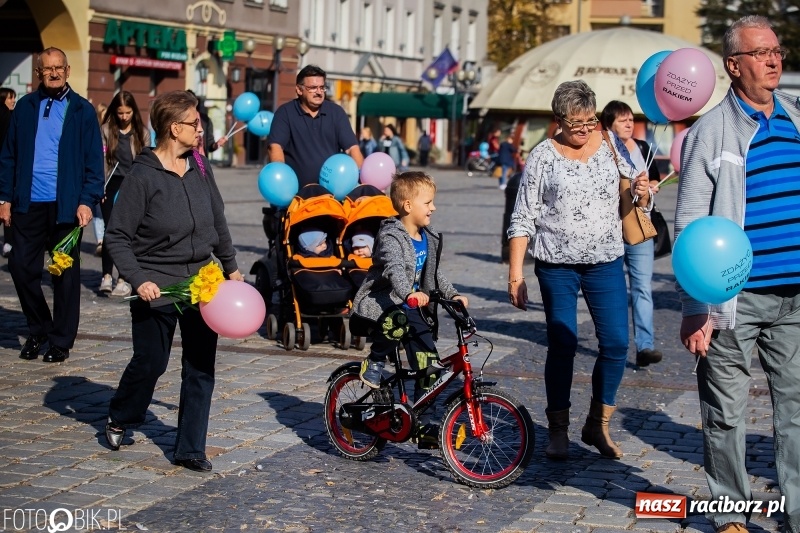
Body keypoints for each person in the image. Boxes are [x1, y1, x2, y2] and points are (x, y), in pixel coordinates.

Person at [676, 15, 800, 533]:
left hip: (795, 297)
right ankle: (731, 513)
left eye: (777, 52)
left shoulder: (795, 117)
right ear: (733, 64)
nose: (773, 61)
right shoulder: (712, 131)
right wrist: (694, 308)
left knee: (795, 413)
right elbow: (689, 225)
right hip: (733, 297)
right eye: (760, 53)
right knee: (726, 413)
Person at [506, 80, 651, 461]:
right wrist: (516, 274)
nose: (585, 129)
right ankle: (558, 430)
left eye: (590, 120)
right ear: (558, 121)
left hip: (605, 261)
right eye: (576, 124)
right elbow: (522, 216)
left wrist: (643, 192)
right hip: (556, 265)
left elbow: (635, 195)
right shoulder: (543, 157)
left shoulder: (611, 145)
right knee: (564, 344)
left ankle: (597, 424)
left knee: (617, 343)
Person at [103, 90, 243, 473]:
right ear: (173, 128)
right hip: (157, 283)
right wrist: (138, 278)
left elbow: (217, 219)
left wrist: (230, 267)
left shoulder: (200, 164)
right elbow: (117, 236)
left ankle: (190, 449)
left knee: (201, 366)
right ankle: (122, 413)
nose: (201, 129)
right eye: (195, 123)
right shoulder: (142, 177)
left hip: (202, 281)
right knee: (151, 362)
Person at [0, 47, 104, 363]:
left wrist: (87, 200)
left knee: (65, 276)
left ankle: (60, 339)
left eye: (59, 67)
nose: (54, 73)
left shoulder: (82, 110)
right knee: (20, 267)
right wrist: (4, 197)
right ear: (39, 73)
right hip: (26, 204)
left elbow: (93, 162)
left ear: (68, 70)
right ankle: (40, 328)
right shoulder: (25, 107)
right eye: (48, 69)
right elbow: (8, 156)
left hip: (66, 207)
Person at [351, 171, 468, 447]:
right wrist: (408, 293)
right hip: (381, 303)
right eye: (428, 203)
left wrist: (454, 295)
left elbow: (435, 274)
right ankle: (375, 361)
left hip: (411, 307)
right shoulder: (391, 235)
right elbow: (394, 271)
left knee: (429, 364)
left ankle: (419, 421)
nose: (433, 208)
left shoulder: (428, 237)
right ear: (407, 206)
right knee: (399, 319)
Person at [600, 100, 663, 368]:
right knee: (611, 292)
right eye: (622, 120)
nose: (629, 123)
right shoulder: (602, 151)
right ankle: (614, 346)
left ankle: (645, 346)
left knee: (642, 287)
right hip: (610, 230)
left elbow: (656, 179)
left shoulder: (644, 147)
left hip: (639, 228)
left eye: (630, 119)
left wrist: (650, 188)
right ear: (609, 125)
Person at [268, 65, 363, 187]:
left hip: (332, 192)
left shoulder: (336, 112)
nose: (319, 92)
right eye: (313, 88)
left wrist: (362, 181)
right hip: (296, 193)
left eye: (322, 87)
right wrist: (281, 180)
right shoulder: (285, 113)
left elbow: (352, 148)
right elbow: (275, 147)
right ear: (299, 90)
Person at [99, 91, 149, 297]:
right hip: (111, 184)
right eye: (120, 112)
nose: (124, 116)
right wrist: (99, 187)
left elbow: (147, 162)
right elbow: (101, 159)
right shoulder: (106, 130)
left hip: (132, 186)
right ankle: (106, 276)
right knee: (110, 232)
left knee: (129, 233)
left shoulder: (141, 132)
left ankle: (124, 277)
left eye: (128, 112)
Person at [0, 87, 16, 258]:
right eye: (11, 98)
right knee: (7, 203)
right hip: (5, 168)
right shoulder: (9, 117)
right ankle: (9, 242)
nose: (13, 101)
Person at [186, 90, 227, 156]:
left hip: (202, 161)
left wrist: (217, 144)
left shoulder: (205, 120)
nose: (200, 129)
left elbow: (210, 145)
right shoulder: (180, 119)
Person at [93, 102, 108, 257]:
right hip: (98, 177)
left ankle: (107, 240)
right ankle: (99, 241)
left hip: (111, 177)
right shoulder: (96, 131)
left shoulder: (111, 132)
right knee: (97, 211)